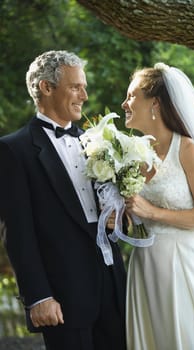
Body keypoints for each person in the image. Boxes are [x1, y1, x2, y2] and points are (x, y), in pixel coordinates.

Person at [0, 50, 126, 350]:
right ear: (46, 87)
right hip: (63, 295)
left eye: (83, 86)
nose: (84, 94)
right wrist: (39, 296)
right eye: (75, 86)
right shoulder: (13, 150)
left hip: (113, 285)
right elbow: (17, 232)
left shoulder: (99, 143)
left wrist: (118, 217)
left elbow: (116, 211)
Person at [121, 62, 194, 350]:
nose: (125, 103)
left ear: (155, 103)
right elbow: (134, 215)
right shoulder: (134, 155)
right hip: (145, 268)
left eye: (132, 96)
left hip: (186, 264)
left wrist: (152, 212)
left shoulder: (188, 150)